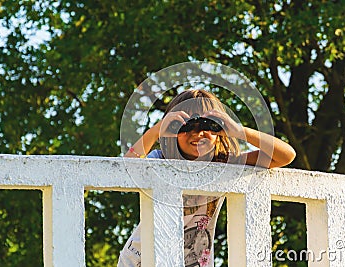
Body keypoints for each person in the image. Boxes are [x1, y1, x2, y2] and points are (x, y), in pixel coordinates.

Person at [118, 89, 296, 267]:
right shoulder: (160, 160)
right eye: (186, 126)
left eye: (207, 125)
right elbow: (124, 171)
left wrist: (239, 131)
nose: (197, 133)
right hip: (142, 259)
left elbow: (285, 155)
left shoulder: (225, 163)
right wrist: (156, 130)